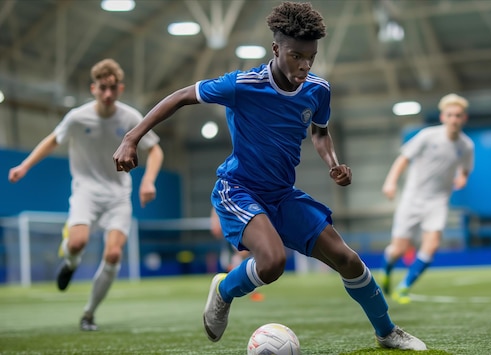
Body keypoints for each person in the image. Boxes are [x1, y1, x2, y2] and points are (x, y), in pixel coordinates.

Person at [113, 2, 426, 351]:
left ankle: (387, 332)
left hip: (282, 194)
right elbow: (181, 96)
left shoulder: (318, 90)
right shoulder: (243, 85)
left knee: (349, 260)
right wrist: (131, 138)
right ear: (276, 49)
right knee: (273, 261)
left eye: (311, 57)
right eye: (296, 56)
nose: (305, 65)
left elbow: (320, 133)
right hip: (239, 189)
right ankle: (223, 290)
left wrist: (333, 163)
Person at [8, 58, 164, 331]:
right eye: (102, 88)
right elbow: (53, 140)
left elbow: (155, 149)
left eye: (112, 88)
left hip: (118, 195)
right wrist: (24, 166)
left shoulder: (130, 117)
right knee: (77, 243)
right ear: (93, 88)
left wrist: (148, 181)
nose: (107, 94)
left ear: (120, 88)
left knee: (114, 254)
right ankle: (69, 261)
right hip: (86, 193)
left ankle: (88, 314)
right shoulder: (78, 117)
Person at [380, 93, 474, 304]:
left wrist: (462, 178)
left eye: (458, 115)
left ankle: (404, 287)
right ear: (443, 117)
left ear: (463, 118)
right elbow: (403, 159)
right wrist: (390, 182)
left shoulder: (466, 146)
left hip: (438, 201)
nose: (454, 119)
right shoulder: (427, 136)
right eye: (450, 115)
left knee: (431, 246)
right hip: (412, 198)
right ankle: (386, 270)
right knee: (399, 249)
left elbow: (466, 169)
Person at [210, 208, 264, 301]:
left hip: (238, 232)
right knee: (234, 261)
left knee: (240, 258)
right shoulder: (220, 203)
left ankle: (245, 288)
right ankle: (227, 288)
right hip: (231, 235)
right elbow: (216, 227)